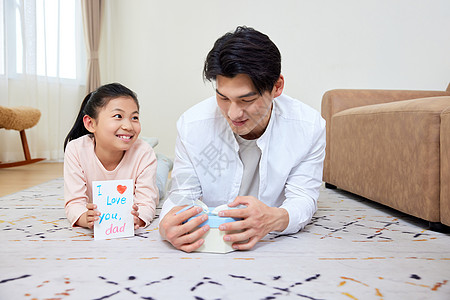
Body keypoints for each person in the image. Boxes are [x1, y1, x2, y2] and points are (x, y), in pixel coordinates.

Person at [159, 26, 326, 252]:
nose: (233, 113)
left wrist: (274, 219)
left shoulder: (308, 127)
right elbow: (181, 194)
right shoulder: (192, 125)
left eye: (247, 100)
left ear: (277, 86)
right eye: (223, 97)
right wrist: (167, 224)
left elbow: (303, 197)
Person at [64, 83, 159, 229]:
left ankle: (163, 161)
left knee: (160, 186)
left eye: (134, 117)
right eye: (118, 116)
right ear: (90, 123)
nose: (128, 126)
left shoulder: (144, 153)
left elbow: (147, 202)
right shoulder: (76, 149)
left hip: (144, 162)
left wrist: (138, 218)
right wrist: (84, 217)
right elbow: (74, 202)